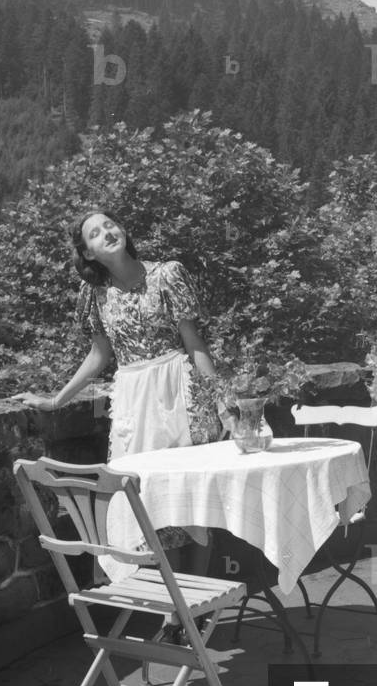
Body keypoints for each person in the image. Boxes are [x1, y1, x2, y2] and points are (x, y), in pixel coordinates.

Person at [12, 209, 230, 578]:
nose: (106, 233)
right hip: (133, 400)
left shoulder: (168, 274)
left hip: (180, 391)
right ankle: (174, 610)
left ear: (124, 229)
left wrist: (222, 398)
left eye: (110, 224)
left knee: (189, 501)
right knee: (143, 502)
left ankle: (193, 610)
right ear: (89, 253)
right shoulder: (93, 294)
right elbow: (99, 355)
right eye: (95, 233)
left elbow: (194, 343)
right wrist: (55, 401)